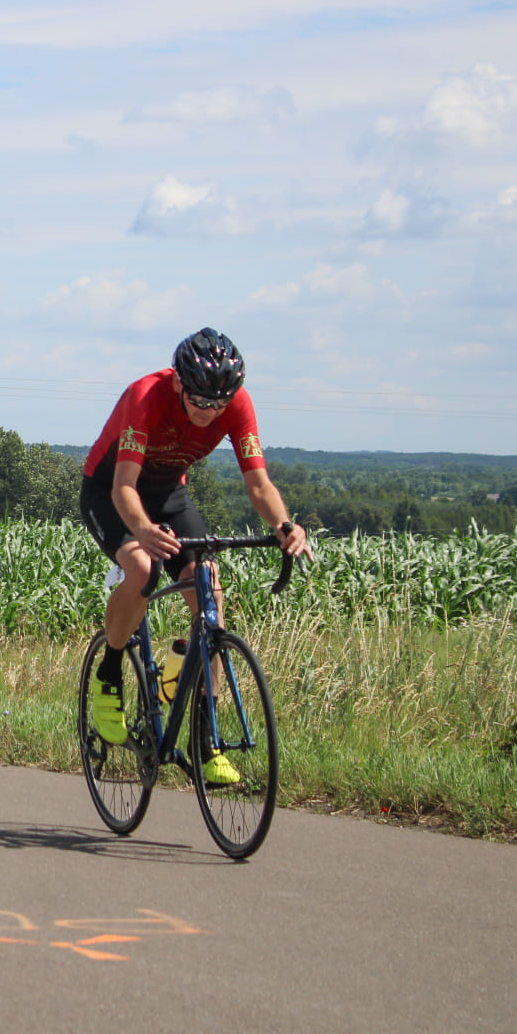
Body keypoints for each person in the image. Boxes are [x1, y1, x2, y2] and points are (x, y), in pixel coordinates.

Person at [77, 328, 310, 784]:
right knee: (143, 568)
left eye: (218, 405)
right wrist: (142, 532)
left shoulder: (236, 404)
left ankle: (204, 736)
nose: (208, 413)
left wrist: (283, 525)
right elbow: (124, 486)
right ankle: (108, 676)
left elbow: (259, 486)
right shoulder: (146, 396)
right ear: (180, 384)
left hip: (168, 494)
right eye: (200, 402)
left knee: (209, 588)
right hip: (111, 492)